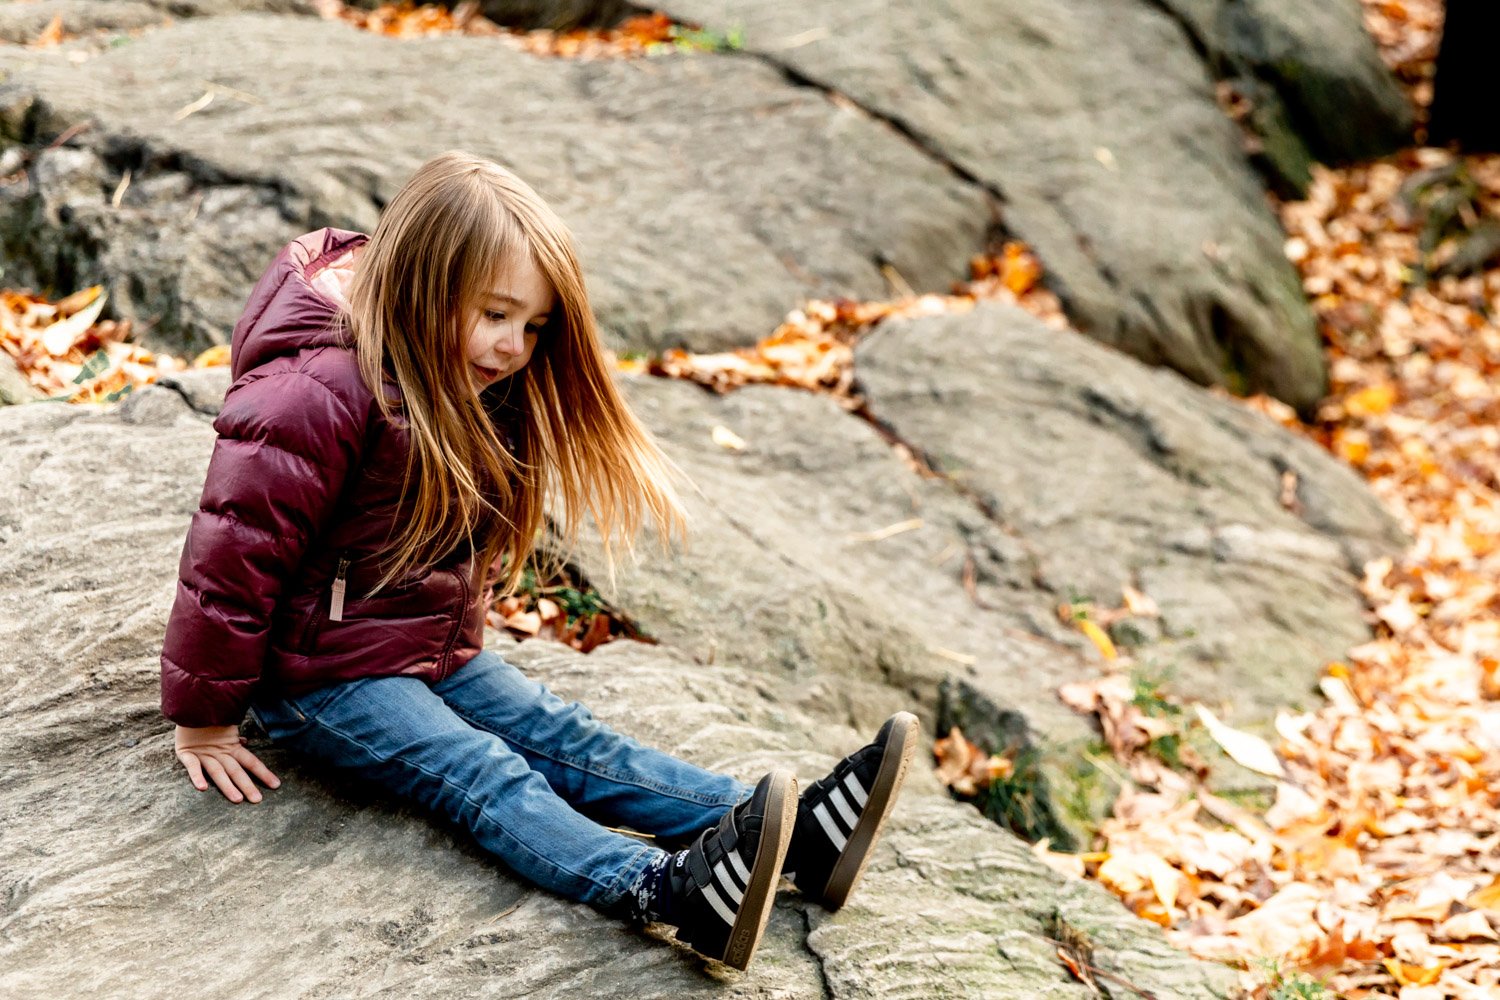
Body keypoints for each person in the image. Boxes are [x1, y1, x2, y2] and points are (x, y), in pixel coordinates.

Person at [160, 149, 919, 971]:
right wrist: (205, 717)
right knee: (482, 770)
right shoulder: (314, 391)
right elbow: (231, 557)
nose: (513, 347)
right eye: (495, 315)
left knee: (569, 740)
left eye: (533, 327)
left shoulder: (448, 360)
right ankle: (662, 891)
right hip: (314, 678)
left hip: (413, 644)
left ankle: (789, 835)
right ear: (422, 280)